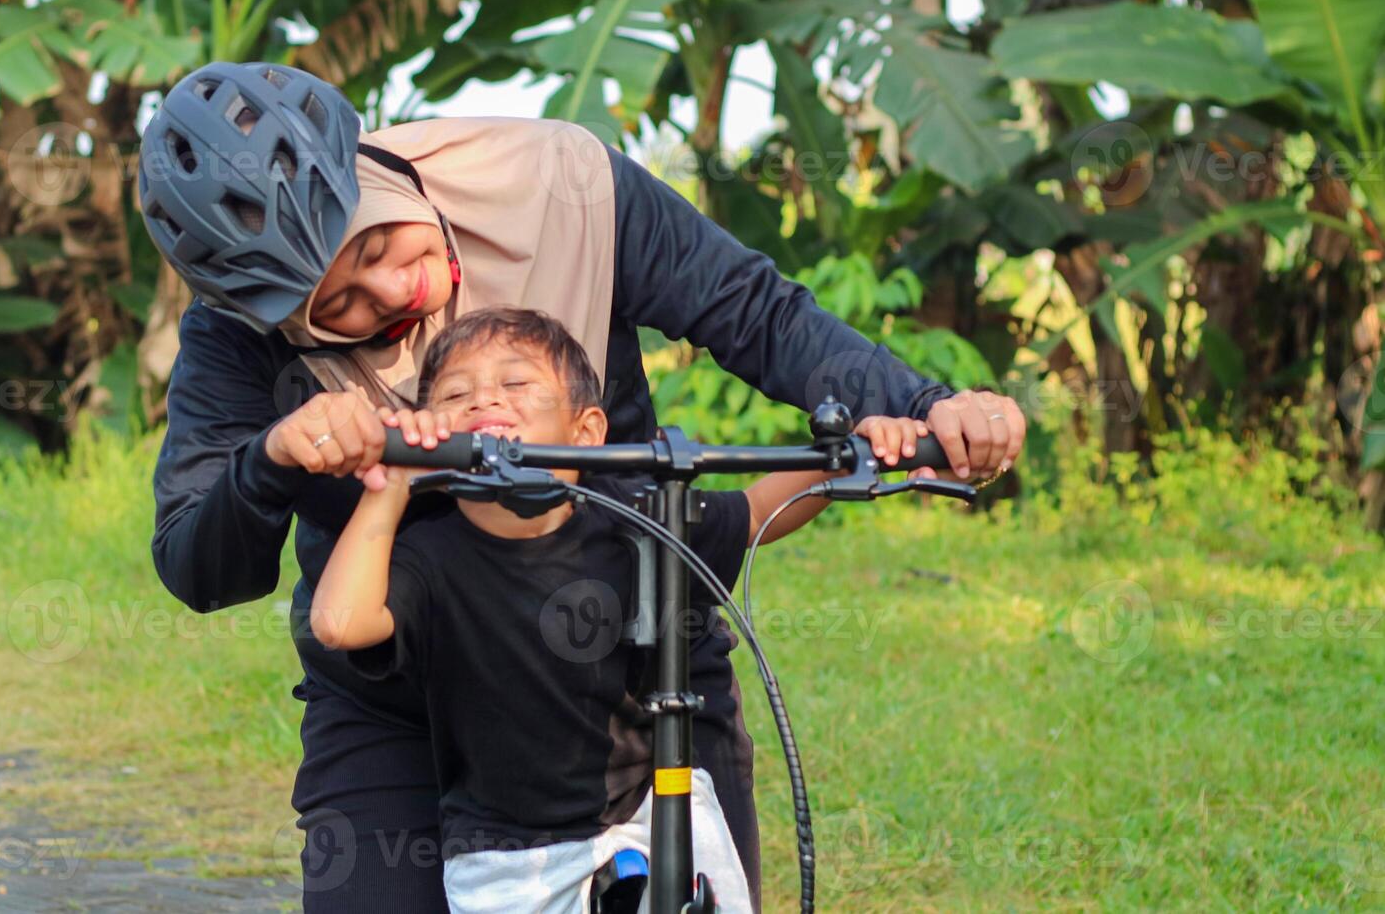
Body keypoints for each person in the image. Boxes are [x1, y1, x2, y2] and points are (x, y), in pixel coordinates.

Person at [141, 61, 1026, 911]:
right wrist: (270, 460)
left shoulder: (558, 182)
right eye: (344, 309)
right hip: (399, 694)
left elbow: (752, 312)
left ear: (374, 171)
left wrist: (921, 409)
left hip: (640, 658)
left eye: (380, 243)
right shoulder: (237, 336)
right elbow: (197, 564)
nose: (396, 291)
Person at [309, 307, 934, 913]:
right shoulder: (429, 554)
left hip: (648, 807)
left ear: (587, 433)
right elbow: (340, 623)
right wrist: (389, 486)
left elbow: (751, 512)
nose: (483, 401)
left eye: (516, 384)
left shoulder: (634, 513)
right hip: (507, 850)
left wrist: (854, 452)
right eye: (455, 395)